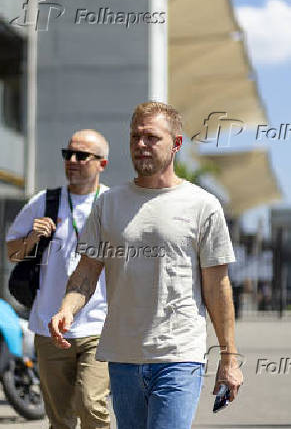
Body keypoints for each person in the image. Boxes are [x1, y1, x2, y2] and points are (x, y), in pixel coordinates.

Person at [49, 102, 244, 429]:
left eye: (151, 137)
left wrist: (229, 356)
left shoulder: (202, 205)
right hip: (123, 357)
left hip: (179, 356)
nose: (140, 145)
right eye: (135, 137)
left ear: (176, 144)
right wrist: (68, 308)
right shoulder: (108, 203)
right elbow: (85, 273)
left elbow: (217, 286)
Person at [6, 129, 111, 429]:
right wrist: (32, 237)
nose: (73, 161)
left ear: (102, 164)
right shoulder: (45, 201)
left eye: (82, 156)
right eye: (68, 154)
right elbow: (12, 253)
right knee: (60, 419)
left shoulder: (112, 202)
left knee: (91, 404)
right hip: (48, 325)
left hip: (99, 325)